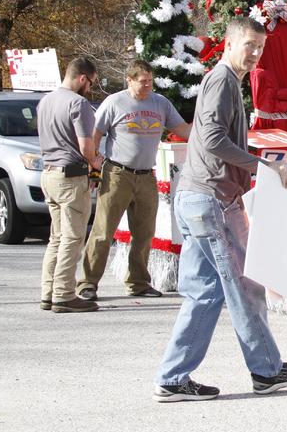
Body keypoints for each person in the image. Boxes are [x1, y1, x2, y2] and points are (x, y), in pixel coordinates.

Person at [154, 17, 287, 402]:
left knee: (205, 293)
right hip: (212, 201)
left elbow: (209, 138)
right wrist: (261, 164)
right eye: (249, 44)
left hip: (195, 198)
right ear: (230, 42)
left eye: (260, 46)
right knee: (245, 285)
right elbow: (211, 139)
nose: (255, 52)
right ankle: (267, 371)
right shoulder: (223, 80)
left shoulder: (221, 80)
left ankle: (173, 379)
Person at [77, 59, 192, 301]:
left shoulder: (160, 103)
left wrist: (206, 133)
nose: (148, 85)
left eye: (150, 81)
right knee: (103, 231)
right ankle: (87, 283)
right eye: (143, 81)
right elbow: (95, 135)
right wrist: (93, 166)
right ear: (129, 80)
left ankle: (138, 282)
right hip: (118, 174)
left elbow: (182, 129)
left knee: (144, 233)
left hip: (146, 176)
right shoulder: (115, 102)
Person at [38, 57, 104, 313]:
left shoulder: (46, 101)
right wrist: (97, 161)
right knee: (73, 238)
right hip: (71, 176)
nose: (90, 89)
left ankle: (48, 291)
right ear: (82, 78)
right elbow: (86, 146)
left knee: (56, 237)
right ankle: (64, 294)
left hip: (48, 174)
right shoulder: (78, 104)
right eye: (91, 83)